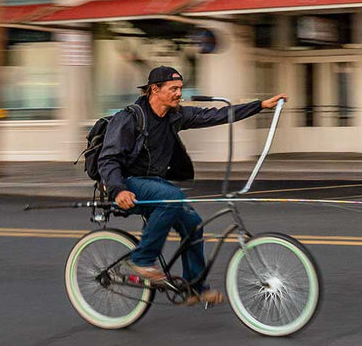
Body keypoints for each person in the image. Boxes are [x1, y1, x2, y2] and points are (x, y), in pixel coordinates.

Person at [97, 65, 285, 306]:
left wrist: (260, 106)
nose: (179, 93)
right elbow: (108, 159)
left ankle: (194, 288)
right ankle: (142, 259)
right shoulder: (130, 118)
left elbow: (215, 115)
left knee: (194, 224)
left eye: (180, 89)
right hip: (127, 183)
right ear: (154, 89)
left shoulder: (176, 116)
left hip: (155, 183)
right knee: (172, 197)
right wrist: (118, 189)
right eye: (173, 89)